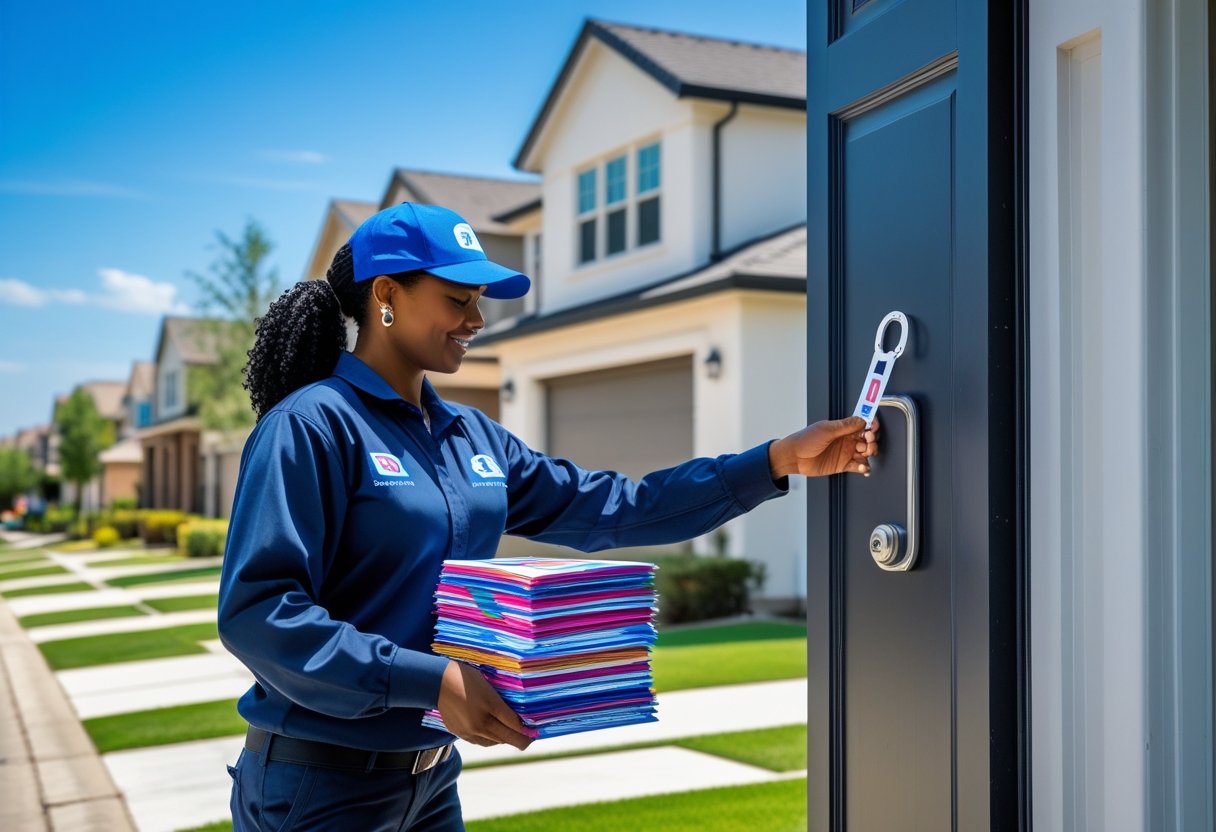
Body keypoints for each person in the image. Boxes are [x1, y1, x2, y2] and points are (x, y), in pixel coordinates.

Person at [217, 201, 878, 831]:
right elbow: (259, 613)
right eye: (458, 298)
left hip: (429, 779)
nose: (477, 319)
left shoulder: (471, 437)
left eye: (479, 300)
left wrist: (774, 461)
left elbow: (617, 507)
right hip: (318, 788)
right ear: (386, 295)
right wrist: (431, 678)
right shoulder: (309, 427)